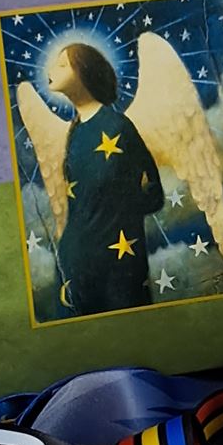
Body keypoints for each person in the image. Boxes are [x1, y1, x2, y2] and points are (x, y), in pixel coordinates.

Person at [45, 42, 164, 316]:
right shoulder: (76, 131)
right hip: (75, 263)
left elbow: (154, 194)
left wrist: (116, 213)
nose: (52, 70)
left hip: (117, 265)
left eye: (62, 64)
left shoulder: (118, 127)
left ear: (84, 72)